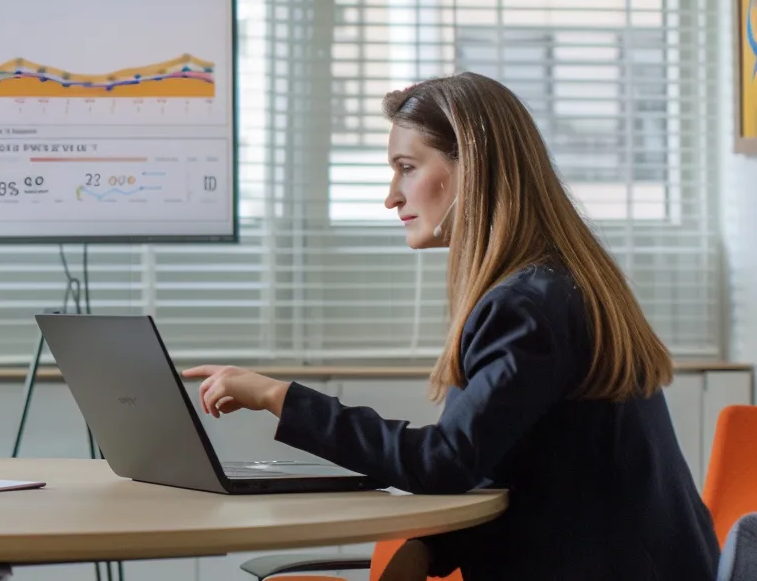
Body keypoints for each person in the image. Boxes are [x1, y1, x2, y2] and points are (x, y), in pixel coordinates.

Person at [182, 73, 718, 580]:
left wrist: (276, 395)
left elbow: (445, 463)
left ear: (472, 169)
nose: (392, 195)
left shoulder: (527, 306)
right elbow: (526, 470)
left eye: (407, 167)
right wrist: (432, 548)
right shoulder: (554, 283)